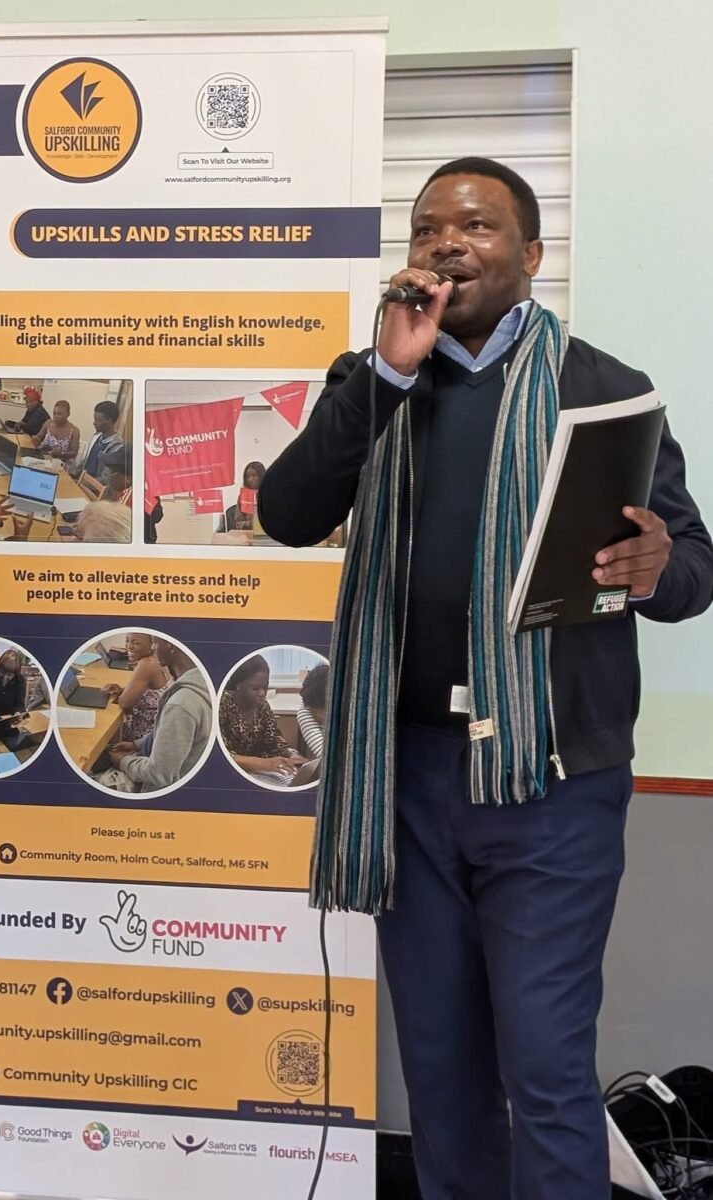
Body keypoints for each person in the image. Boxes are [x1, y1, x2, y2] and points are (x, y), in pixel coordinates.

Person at [258, 158, 713, 1200]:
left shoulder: (603, 388)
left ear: (531, 255)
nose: (446, 244)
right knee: (443, 1072)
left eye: (475, 227)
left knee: (544, 1067)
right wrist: (384, 378)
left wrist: (656, 568)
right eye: (428, 229)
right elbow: (286, 514)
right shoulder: (371, 379)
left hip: (551, 781)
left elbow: (693, 568)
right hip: (408, 778)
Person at [109, 639, 211, 791]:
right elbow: (175, 735)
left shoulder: (180, 705)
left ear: (170, 646)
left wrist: (122, 762)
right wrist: (137, 744)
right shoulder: (202, 683)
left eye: (156, 643)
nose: (153, 648)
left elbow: (159, 775)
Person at [218, 655, 304, 781]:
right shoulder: (221, 704)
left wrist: (292, 755)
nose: (262, 693)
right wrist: (263, 763)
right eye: (255, 688)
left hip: (258, 773)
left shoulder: (262, 705)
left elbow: (274, 739)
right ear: (238, 685)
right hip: (229, 775)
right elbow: (221, 755)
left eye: (265, 687)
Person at [104, 632, 170, 742]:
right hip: (154, 730)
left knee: (102, 722)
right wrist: (122, 690)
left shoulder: (147, 664)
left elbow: (125, 703)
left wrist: (120, 696)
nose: (129, 646)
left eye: (137, 643)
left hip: (144, 737)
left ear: (152, 645)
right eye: (127, 641)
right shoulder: (156, 659)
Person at [79, 399, 123, 480]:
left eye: (98, 420)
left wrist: (83, 482)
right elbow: (86, 462)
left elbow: (105, 478)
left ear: (110, 421)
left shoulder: (117, 447)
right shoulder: (96, 436)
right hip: (83, 479)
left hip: (94, 485)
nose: (94, 423)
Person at [218, 461, 265, 532]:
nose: (251, 479)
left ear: (261, 476)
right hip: (245, 533)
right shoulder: (243, 496)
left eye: (254, 476)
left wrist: (249, 524)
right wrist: (246, 524)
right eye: (247, 477)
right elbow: (238, 521)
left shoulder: (268, 494)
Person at [296, 662, 328, 759]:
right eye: (314, 709)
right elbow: (325, 755)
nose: (318, 715)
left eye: (322, 709)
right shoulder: (305, 711)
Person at [33, 398, 80, 463]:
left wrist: (60, 454)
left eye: (59, 414)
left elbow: (74, 452)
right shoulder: (48, 423)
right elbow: (38, 437)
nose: (56, 416)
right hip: (43, 459)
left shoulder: (74, 431)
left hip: (62, 463)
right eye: (54, 413)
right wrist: (35, 439)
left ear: (68, 414)